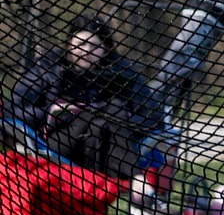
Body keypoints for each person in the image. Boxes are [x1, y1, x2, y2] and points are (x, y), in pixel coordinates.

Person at [10, 14, 163, 180]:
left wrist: (120, 124)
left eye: (94, 45)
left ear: (105, 48)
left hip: (106, 147)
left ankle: (117, 186)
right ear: (69, 45)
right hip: (58, 143)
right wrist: (50, 113)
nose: (87, 51)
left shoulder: (123, 73)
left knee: (106, 116)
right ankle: (138, 182)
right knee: (108, 108)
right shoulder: (48, 68)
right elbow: (14, 109)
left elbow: (154, 118)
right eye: (81, 44)